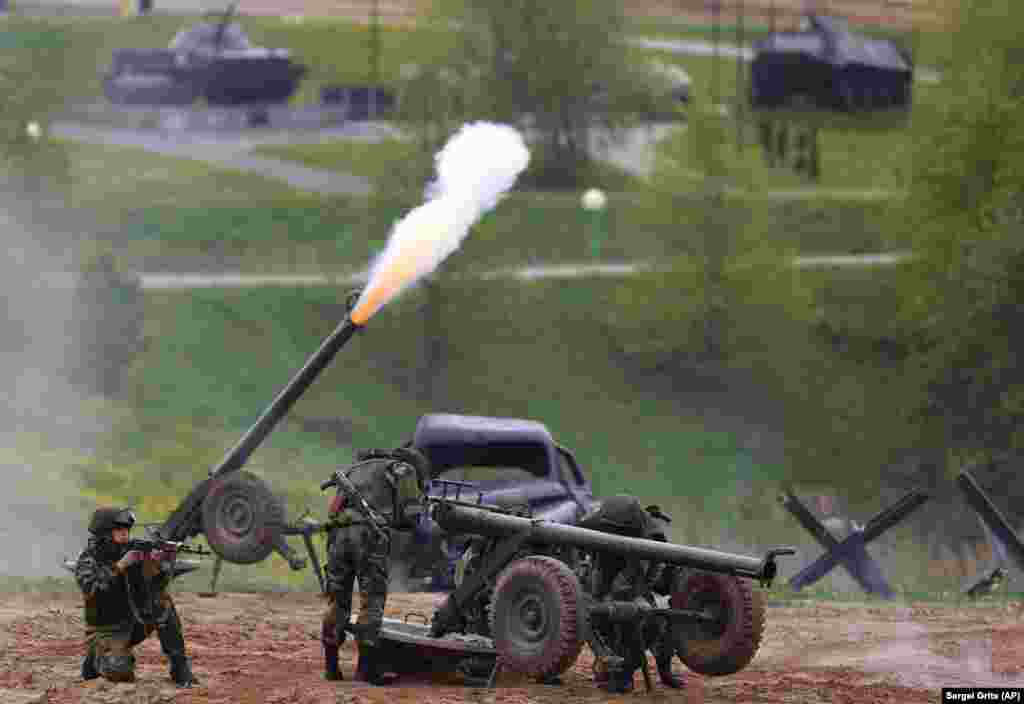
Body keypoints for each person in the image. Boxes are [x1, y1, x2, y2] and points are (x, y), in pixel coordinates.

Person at [320, 446, 429, 684]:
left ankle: (331, 669)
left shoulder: (352, 470)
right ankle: (366, 671)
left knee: (337, 600)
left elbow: (333, 511)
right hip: (368, 536)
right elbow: (410, 516)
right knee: (372, 600)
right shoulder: (402, 469)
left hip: (337, 536)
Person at [73, 507, 198, 687]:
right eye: (119, 530)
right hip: (107, 628)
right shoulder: (89, 558)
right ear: (105, 533)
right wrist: (122, 564)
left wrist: (162, 561)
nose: (125, 534)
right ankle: (96, 658)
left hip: (135, 622)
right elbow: (94, 589)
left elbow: (157, 585)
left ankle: (179, 666)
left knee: (161, 601)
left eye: (127, 530)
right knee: (119, 672)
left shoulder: (134, 549)